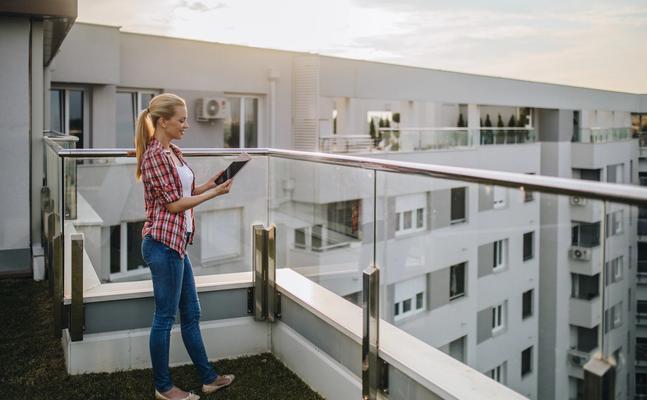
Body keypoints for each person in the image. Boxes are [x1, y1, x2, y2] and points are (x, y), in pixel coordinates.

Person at [135, 93, 235, 400]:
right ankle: (164, 387)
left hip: (176, 245)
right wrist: (214, 194)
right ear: (163, 121)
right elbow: (175, 205)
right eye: (181, 119)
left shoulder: (173, 151)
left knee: (191, 313)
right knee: (165, 318)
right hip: (162, 245)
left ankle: (208, 378)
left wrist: (212, 183)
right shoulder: (154, 156)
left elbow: (186, 190)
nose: (186, 125)